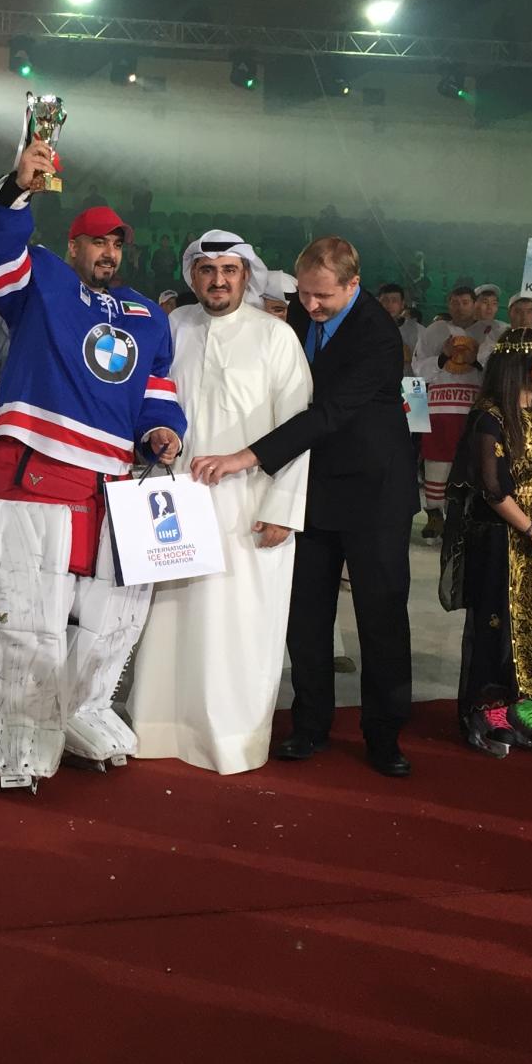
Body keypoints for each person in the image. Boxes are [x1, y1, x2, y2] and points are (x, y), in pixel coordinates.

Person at [0, 139, 183, 789]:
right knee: (28, 610)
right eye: (96, 242)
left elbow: (157, 393)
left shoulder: (148, 317)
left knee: (113, 614)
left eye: (116, 244)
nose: (107, 252)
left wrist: (163, 432)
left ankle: (83, 709)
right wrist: (15, 188)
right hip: (40, 467)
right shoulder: (42, 283)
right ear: (74, 246)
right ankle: (13, 736)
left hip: (111, 483)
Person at [191, 236, 417, 778]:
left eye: (323, 297)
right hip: (314, 489)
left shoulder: (377, 334)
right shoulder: (297, 311)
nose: (310, 305)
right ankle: (310, 724)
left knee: (380, 617)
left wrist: (246, 457)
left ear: (353, 284)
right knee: (306, 616)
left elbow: (327, 413)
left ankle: (384, 734)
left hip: (374, 495)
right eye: (305, 294)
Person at [127, 232, 310, 774]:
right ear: (192, 276)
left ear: (246, 275)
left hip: (248, 508)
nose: (218, 280)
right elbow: (148, 402)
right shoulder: (173, 328)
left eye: (229, 270)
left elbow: (298, 430)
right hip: (178, 504)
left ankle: (232, 739)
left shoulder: (276, 336)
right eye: (207, 270)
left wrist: (283, 508)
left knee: (240, 624)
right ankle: (159, 728)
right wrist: (155, 438)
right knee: (169, 621)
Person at [448, 328, 532, 758]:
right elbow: (493, 488)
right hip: (501, 536)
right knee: (498, 622)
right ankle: (488, 707)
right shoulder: (490, 418)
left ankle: (522, 701)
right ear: (517, 363)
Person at [419, 334, 482, 541]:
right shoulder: (432, 332)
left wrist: (477, 361)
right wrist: (415, 423)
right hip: (436, 421)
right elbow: (415, 374)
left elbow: (493, 376)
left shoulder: (491, 333)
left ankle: (459, 520)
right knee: (434, 469)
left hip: (469, 422)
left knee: (466, 475)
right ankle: (434, 516)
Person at [412, 285, 480, 380]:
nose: (460, 307)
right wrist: (443, 357)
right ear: (449, 306)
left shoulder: (487, 332)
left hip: (477, 388)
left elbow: (496, 370)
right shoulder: (435, 330)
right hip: (441, 388)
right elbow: (418, 369)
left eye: (465, 303)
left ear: (475, 305)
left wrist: (475, 362)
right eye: (455, 303)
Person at [377, 282, 421, 366]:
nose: (389, 305)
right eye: (385, 300)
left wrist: (412, 358)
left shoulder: (417, 330)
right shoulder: (366, 330)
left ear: (402, 304)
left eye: (394, 300)